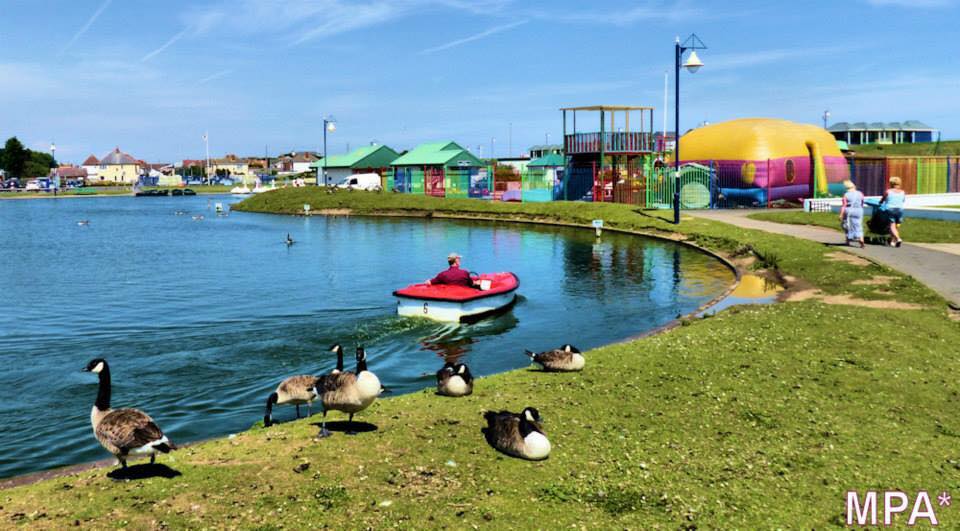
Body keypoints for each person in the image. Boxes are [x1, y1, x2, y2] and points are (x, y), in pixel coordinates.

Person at [880, 176, 906, 247]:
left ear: (891, 183)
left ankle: (898, 238)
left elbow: (882, 199)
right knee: (896, 226)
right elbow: (903, 200)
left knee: (892, 225)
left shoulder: (888, 191)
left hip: (890, 209)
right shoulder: (902, 192)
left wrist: (881, 202)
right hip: (900, 209)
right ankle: (892, 241)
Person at [839, 180, 865, 248]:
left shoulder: (846, 195)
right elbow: (862, 202)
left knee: (847, 225)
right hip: (859, 211)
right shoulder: (860, 193)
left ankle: (848, 240)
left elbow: (844, 205)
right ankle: (861, 239)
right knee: (858, 224)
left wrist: (841, 214)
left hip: (849, 211)